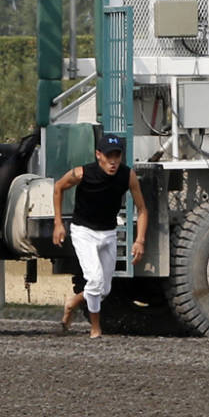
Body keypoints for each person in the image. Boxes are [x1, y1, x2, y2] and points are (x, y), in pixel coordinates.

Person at [51, 133, 148, 339]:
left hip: (108, 233)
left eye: (117, 156)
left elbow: (142, 209)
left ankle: (73, 303)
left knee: (103, 290)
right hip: (83, 231)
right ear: (98, 155)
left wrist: (139, 240)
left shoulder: (127, 175)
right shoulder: (82, 173)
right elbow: (58, 187)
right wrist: (58, 223)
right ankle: (96, 328)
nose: (113, 162)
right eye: (108, 156)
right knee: (94, 280)